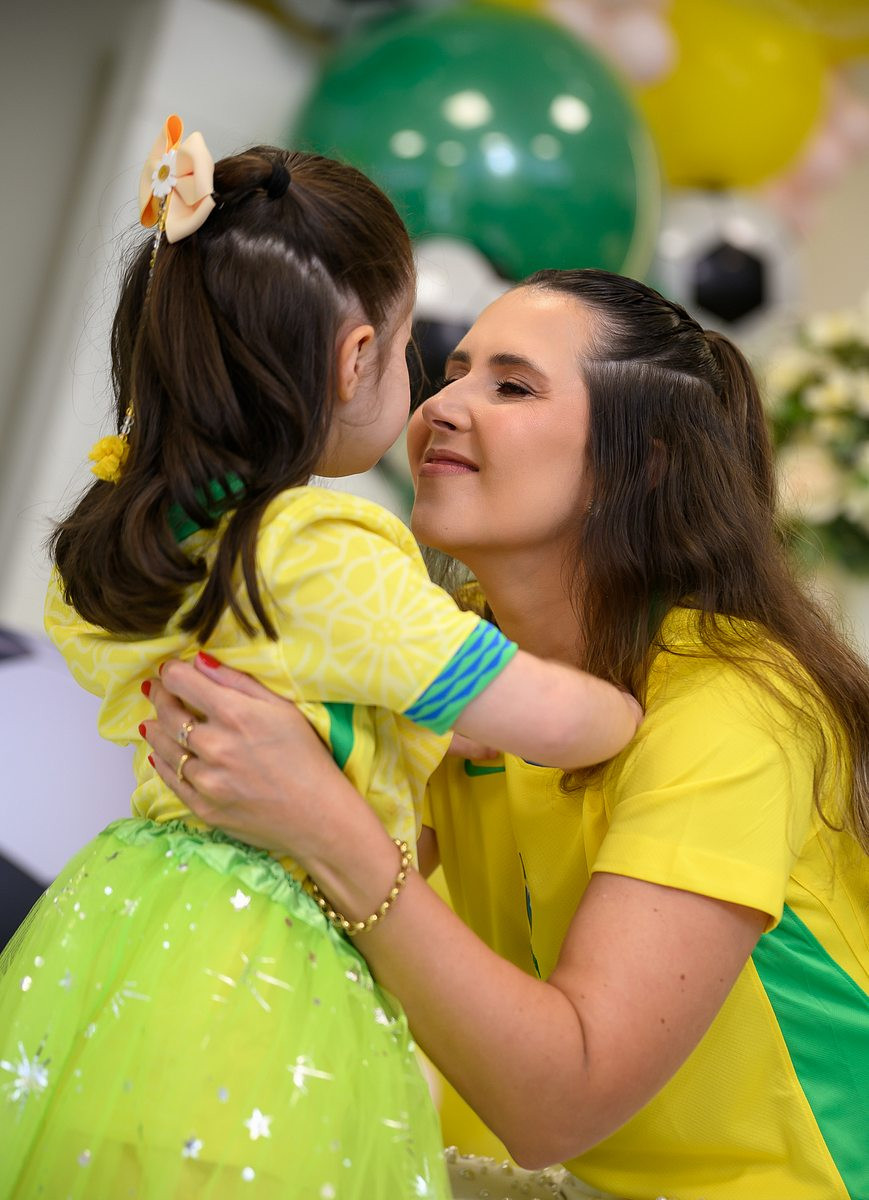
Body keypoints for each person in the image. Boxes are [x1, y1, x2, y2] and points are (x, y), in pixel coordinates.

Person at [0, 117, 641, 1199]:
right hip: (264, 950)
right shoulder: (318, 550)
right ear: (355, 361)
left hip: (123, 922)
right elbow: (538, 715)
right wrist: (627, 708)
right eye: (414, 350)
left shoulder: (139, 539)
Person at [143, 269, 868, 1200]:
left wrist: (322, 817)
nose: (441, 408)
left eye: (512, 386)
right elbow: (290, 930)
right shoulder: (446, 657)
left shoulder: (734, 704)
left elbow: (558, 1103)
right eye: (451, 373)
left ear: (640, 463)